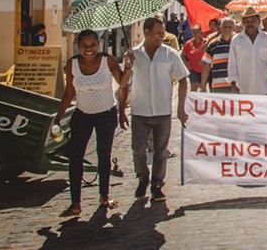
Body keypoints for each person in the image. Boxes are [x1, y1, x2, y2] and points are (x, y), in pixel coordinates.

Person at [55, 30, 128, 217]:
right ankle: (75, 203)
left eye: (93, 45)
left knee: (104, 156)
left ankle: (104, 197)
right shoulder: (72, 64)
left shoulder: (108, 60)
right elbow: (69, 93)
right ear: (78, 47)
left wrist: (128, 67)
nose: (89, 49)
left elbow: (122, 83)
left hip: (106, 114)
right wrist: (57, 116)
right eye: (84, 46)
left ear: (99, 44)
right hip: (82, 115)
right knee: (75, 157)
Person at [121, 16, 189, 203]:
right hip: (140, 110)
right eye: (158, 33)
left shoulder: (169, 54)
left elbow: (183, 79)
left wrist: (180, 108)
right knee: (138, 150)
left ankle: (157, 184)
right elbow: (123, 83)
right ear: (147, 32)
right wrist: (127, 66)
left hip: (162, 110)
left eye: (163, 32)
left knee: (161, 151)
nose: (162, 36)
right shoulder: (133, 55)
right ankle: (143, 177)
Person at [227, 7, 267, 94]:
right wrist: (233, 84)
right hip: (242, 89)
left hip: (263, 89)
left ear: (258, 22)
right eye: (247, 21)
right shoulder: (236, 40)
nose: (250, 24)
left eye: (252, 21)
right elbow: (232, 64)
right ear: (242, 23)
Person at [200, 17, 235, 93]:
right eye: (225, 27)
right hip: (218, 86)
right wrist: (203, 86)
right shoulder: (213, 44)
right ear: (220, 28)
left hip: (235, 86)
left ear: (233, 28)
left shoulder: (239, 43)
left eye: (230, 27)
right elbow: (206, 66)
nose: (227, 29)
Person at [182, 24, 207, 92]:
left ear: (201, 32)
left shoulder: (206, 42)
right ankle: (193, 102)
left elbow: (210, 55)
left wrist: (203, 60)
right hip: (193, 69)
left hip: (204, 70)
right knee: (194, 87)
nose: (195, 34)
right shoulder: (188, 43)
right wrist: (187, 66)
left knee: (203, 88)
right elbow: (182, 55)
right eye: (193, 32)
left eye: (197, 32)